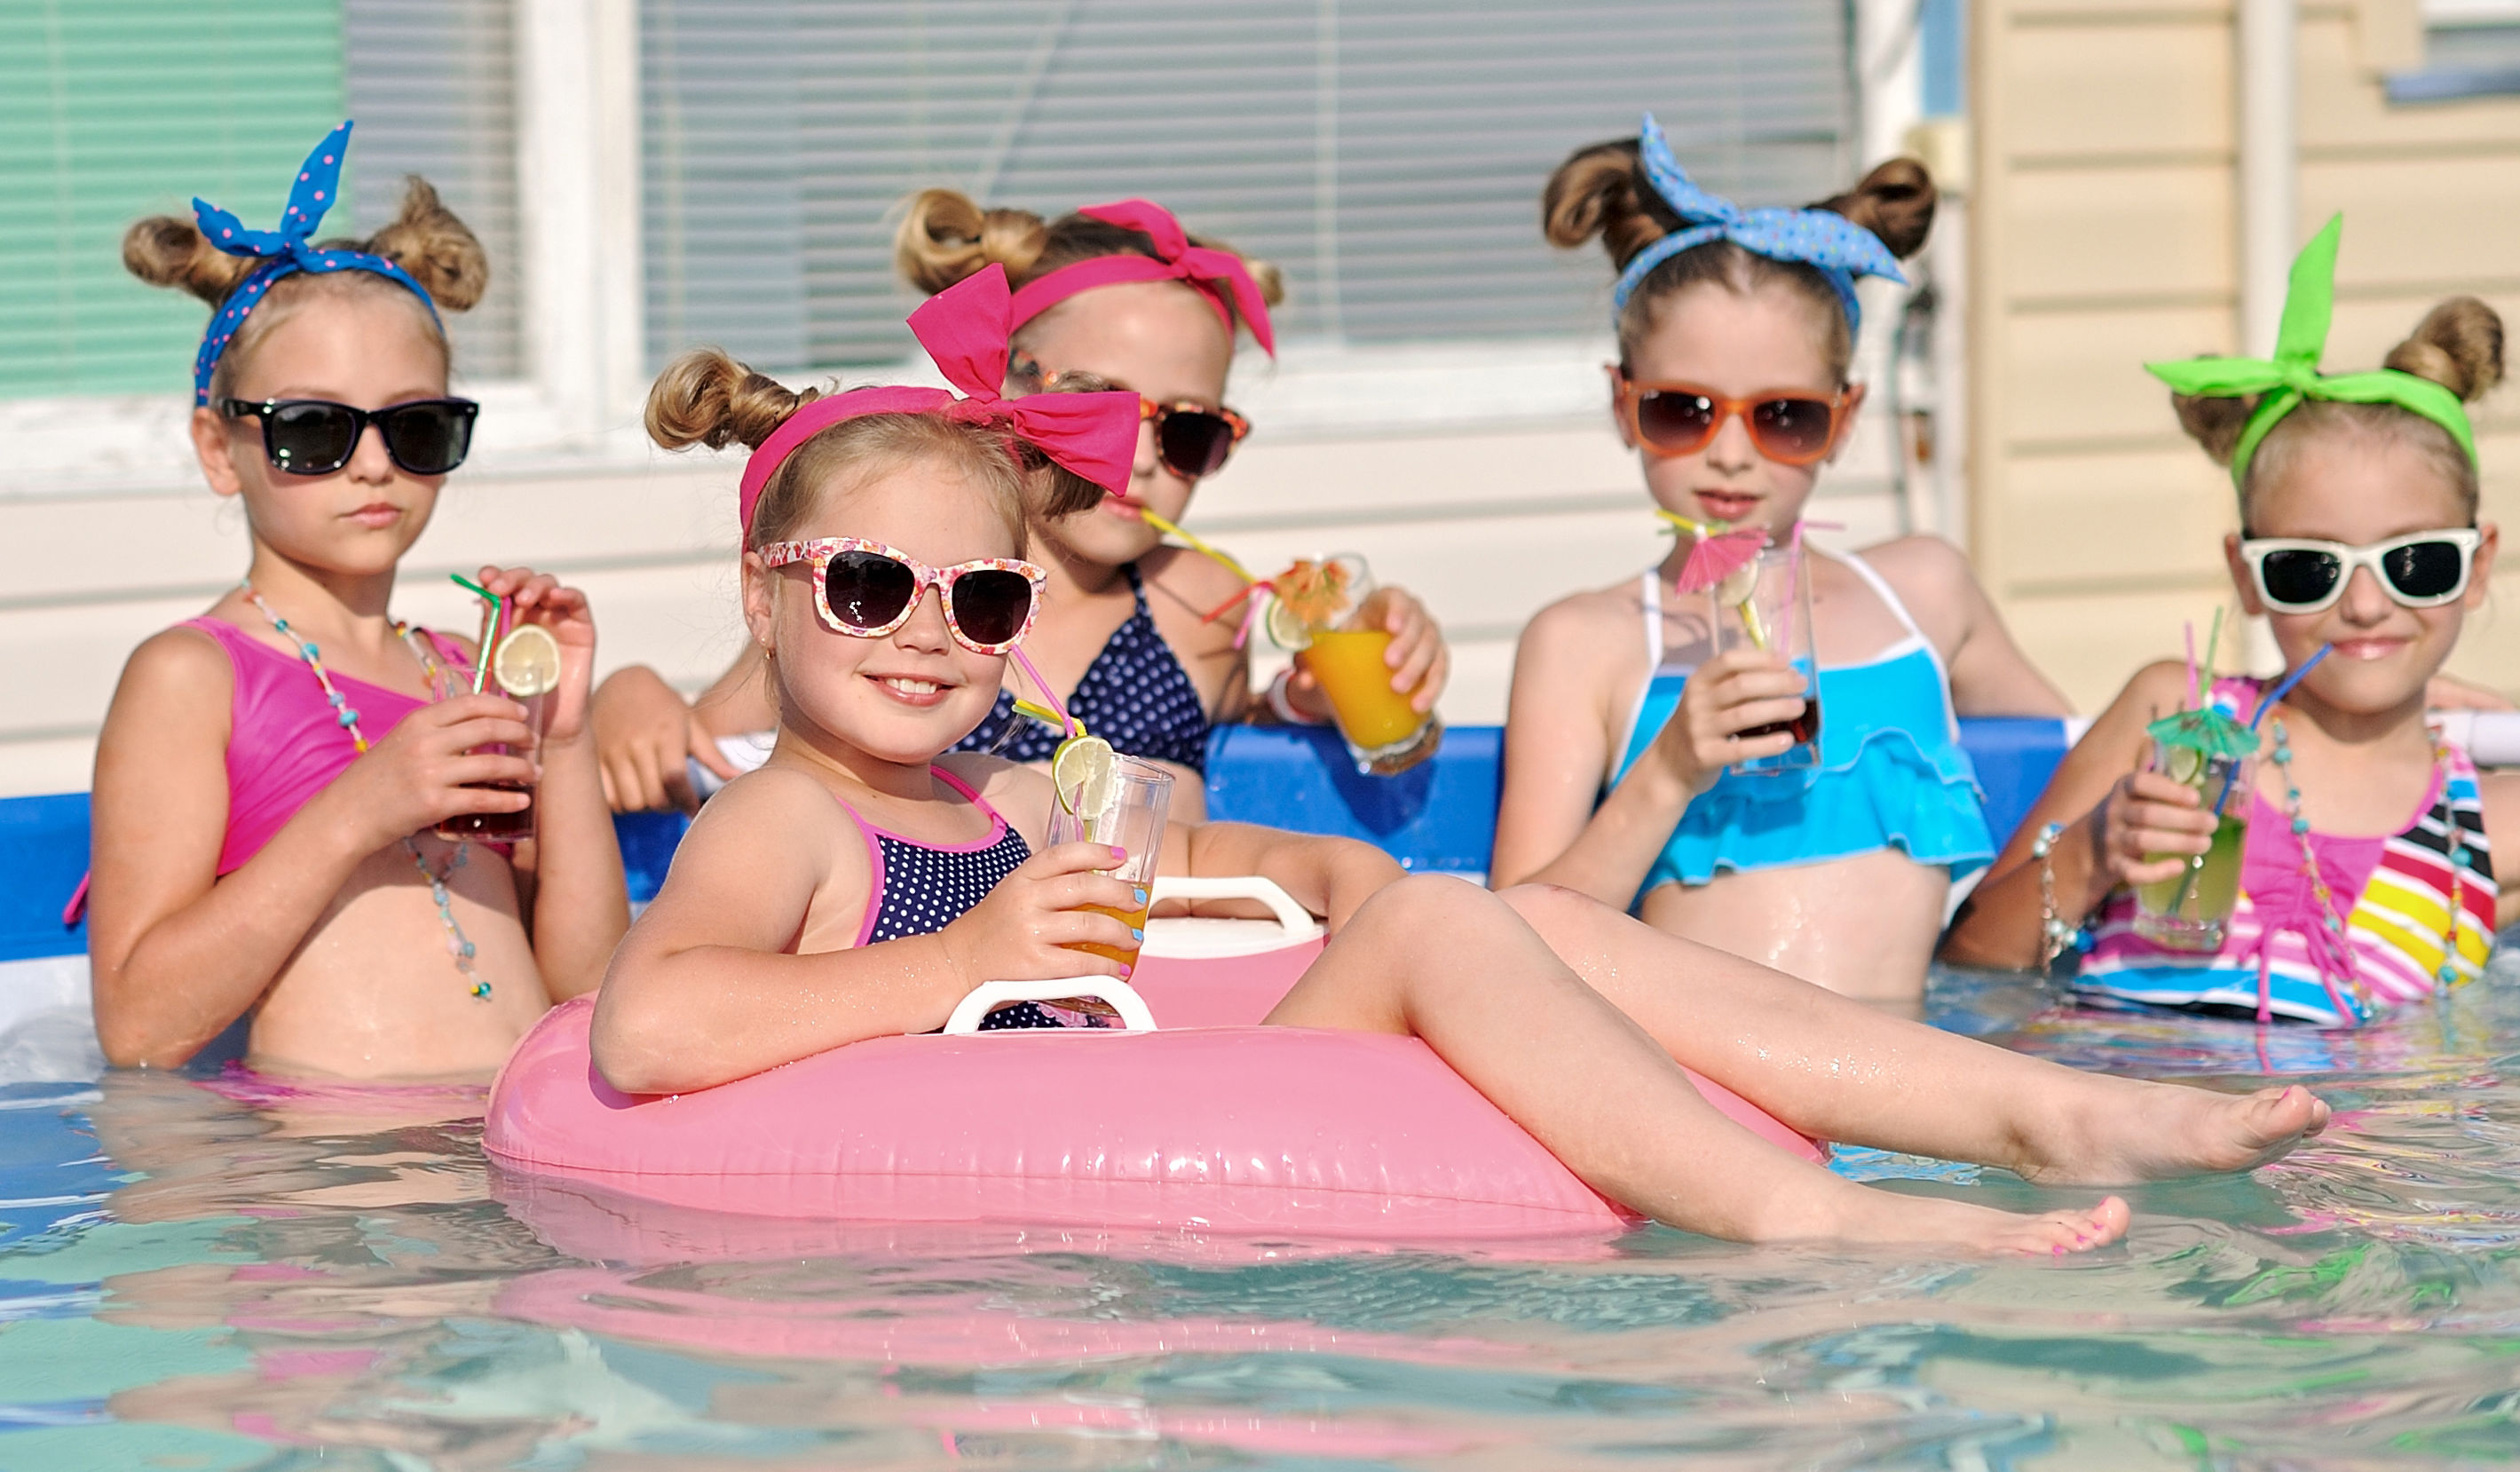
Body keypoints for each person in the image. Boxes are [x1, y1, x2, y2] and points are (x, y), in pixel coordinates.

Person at [592, 268, 2332, 1253]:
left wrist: (1314, 873)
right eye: (874, 585)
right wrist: (965, 959)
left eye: (977, 594)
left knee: (1519, 926)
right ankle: (1804, 1213)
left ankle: (2038, 1106)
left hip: (1139, 1096)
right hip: (978, 1161)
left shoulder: (999, 791)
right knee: (1446, 926)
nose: (926, 633)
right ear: (771, 589)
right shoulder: (783, 815)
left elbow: (1177, 881)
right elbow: (651, 1022)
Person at [590, 194, 1450, 819]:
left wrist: (1338, 686)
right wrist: (629, 698)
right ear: (1010, 385)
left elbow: (1268, 747)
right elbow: (699, 753)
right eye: (1101, 406)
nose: (1140, 456)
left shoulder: (1200, 601)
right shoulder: (887, 594)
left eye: (1188, 431)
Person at [83, 123, 627, 1079]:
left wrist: (567, 738)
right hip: (331, 1180)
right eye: (313, 428)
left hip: (516, 1140)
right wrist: (360, 809)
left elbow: (589, 994)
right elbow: (138, 1027)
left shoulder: (462, 666)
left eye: (415, 425)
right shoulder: (192, 675)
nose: (372, 462)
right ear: (220, 448)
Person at [1490, 116, 2067, 1005]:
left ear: (1843, 417)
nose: (1730, 455)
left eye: (1782, 416)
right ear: (1622, 403)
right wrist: (1669, 769)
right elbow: (1505, 951)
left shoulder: (1923, 591)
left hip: (1927, 1091)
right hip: (1715, 1090)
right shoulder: (1586, 642)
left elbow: (2067, 775)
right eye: (1685, 410)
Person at [1942, 218, 2520, 1024]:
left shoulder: (2485, 827)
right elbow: (1964, 964)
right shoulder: (2173, 716)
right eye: (2306, 568)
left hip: (2353, 1146)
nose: (2363, 605)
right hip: (2116, 1114)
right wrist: (2095, 850)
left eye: (2415, 563)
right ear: (2244, 576)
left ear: (2477, 564)